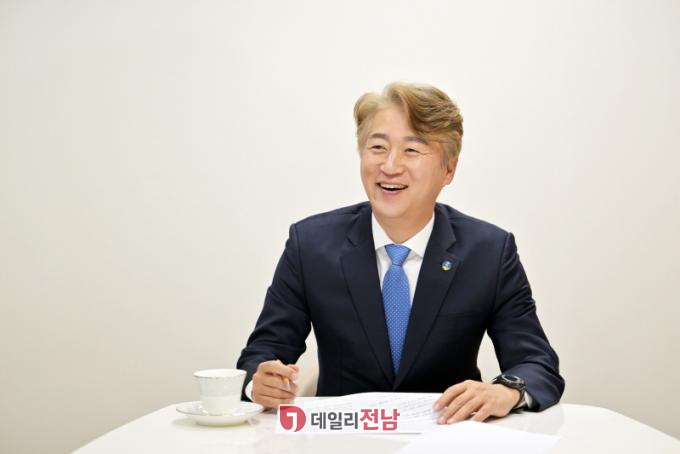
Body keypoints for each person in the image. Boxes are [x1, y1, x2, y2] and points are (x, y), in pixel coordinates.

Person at [237, 82, 564, 424]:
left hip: (447, 436)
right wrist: (259, 384)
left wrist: (507, 391)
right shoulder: (310, 245)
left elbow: (537, 364)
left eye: (411, 150)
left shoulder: (489, 252)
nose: (390, 166)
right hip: (343, 439)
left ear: (449, 169)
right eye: (377, 147)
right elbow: (261, 355)